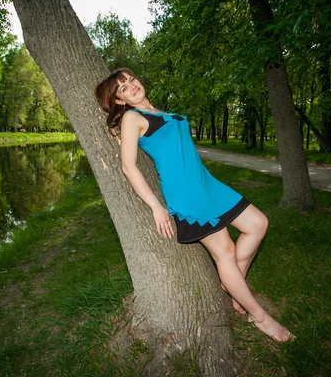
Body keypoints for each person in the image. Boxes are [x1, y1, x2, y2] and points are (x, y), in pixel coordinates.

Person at [95, 68, 293, 342]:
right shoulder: (132, 117)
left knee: (258, 224)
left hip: (208, 183)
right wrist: (156, 207)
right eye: (124, 89)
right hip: (186, 192)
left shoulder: (159, 111)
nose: (132, 86)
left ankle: (233, 283)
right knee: (224, 253)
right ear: (119, 101)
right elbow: (128, 167)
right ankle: (261, 317)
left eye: (132, 80)